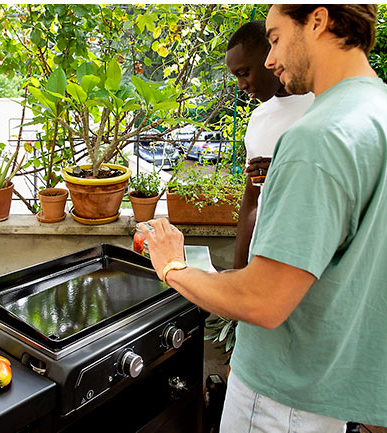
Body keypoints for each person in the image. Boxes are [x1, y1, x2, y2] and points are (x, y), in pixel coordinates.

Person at [140, 4, 386, 432]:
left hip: (282, 398)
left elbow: (263, 300)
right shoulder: (376, 111)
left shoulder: (317, 136)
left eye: (274, 38)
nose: (270, 59)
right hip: (333, 390)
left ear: (318, 20)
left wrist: (172, 266)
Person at [225, 20, 314, 269]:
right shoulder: (258, 119)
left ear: (271, 57)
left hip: (309, 267)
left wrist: (283, 171)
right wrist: (238, 271)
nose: (241, 86)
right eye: (236, 77)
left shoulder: (323, 106)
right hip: (264, 264)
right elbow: (252, 199)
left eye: (244, 73)